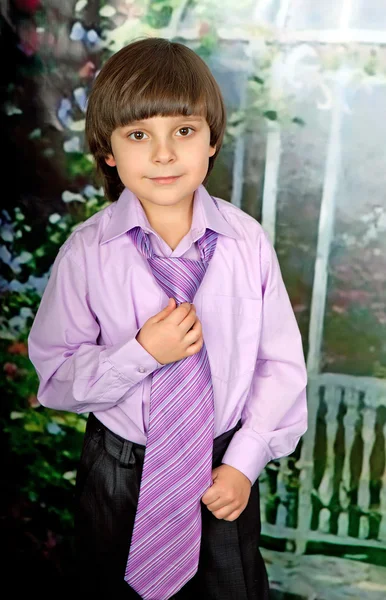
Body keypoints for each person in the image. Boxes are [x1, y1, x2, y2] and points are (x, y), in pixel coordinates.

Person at [27, 37, 308, 600]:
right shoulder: (88, 252)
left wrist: (243, 462)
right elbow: (55, 378)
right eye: (138, 135)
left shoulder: (245, 243)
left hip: (219, 469)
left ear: (210, 142)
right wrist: (141, 354)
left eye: (183, 131)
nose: (163, 154)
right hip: (119, 473)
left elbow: (279, 365)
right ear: (108, 151)